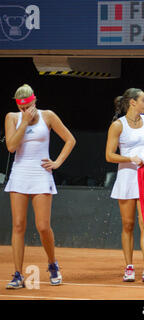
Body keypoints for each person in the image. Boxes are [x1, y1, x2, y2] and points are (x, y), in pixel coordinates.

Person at [4, 84, 76, 289]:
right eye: (22, 108)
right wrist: (24, 123)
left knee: (43, 226)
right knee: (18, 225)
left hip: (41, 175)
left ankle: (52, 264)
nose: (26, 111)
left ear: (35, 101)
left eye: (28, 106)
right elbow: (11, 146)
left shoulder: (48, 116)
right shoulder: (12, 118)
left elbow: (70, 140)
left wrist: (57, 162)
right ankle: (18, 274)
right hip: (20, 174)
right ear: (18, 106)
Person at [106, 88, 144, 283]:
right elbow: (109, 155)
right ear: (132, 103)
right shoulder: (117, 125)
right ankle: (129, 267)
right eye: (143, 100)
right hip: (127, 178)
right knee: (128, 225)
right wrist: (131, 158)